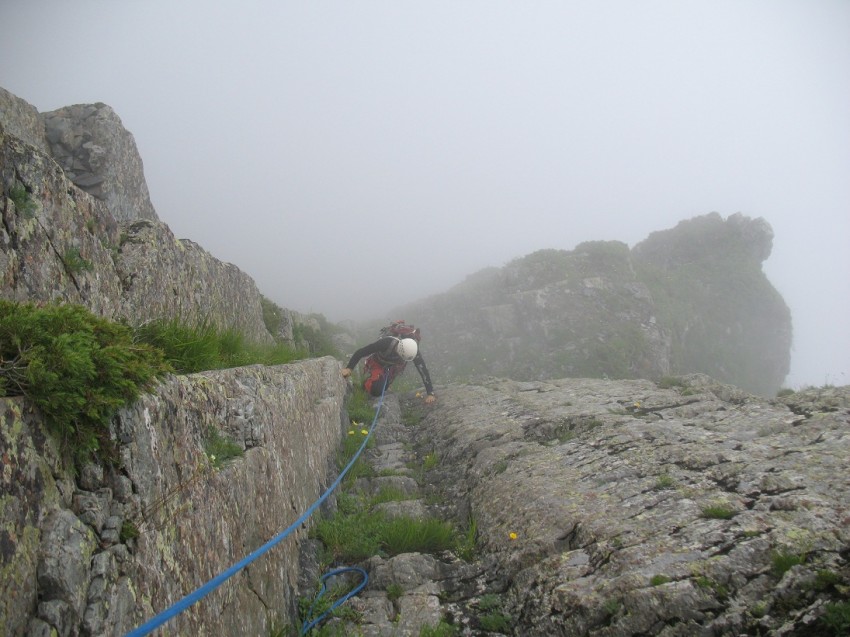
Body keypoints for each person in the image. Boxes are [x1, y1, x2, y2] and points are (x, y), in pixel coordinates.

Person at [342, 333, 436, 403]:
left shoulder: (413, 353)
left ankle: (382, 382)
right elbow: (361, 352)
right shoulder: (386, 343)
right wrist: (349, 368)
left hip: (391, 369)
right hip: (377, 364)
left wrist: (430, 393)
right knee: (376, 391)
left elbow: (423, 371)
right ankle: (365, 385)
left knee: (383, 388)